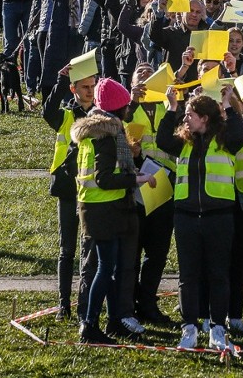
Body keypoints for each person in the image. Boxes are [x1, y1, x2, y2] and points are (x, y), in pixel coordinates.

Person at [156, 86, 243, 351]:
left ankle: (218, 329)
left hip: (219, 217)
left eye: (190, 114)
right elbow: (162, 140)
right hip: (185, 217)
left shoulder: (225, 139)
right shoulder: (183, 141)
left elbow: (240, 134)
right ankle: (189, 329)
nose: (186, 119)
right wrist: (171, 107)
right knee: (188, 275)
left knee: (219, 274)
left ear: (205, 118)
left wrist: (227, 103)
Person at [70, 78, 156, 344]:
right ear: (117, 109)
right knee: (105, 269)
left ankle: (113, 321)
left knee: (113, 267)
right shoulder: (106, 135)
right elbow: (105, 178)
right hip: (102, 210)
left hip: (101, 208)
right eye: (126, 106)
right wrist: (135, 179)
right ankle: (90, 325)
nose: (128, 110)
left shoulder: (96, 130)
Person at [42, 63, 97, 322]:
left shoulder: (100, 117)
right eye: (85, 86)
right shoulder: (64, 117)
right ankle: (63, 303)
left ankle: (85, 303)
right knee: (67, 250)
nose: (90, 90)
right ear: (74, 89)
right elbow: (48, 111)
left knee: (89, 249)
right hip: (67, 189)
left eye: (93, 86)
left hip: (92, 192)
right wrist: (61, 80)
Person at [125, 63, 176, 325]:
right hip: (136, 186)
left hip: (165, 186)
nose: (145, 76)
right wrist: (131, 102)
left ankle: (148, 303)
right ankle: (130, 303)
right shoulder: (127, 108)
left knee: (157, 252)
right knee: (133, 251)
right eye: (140, 73)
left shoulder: (168, 106)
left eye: (149, 73)